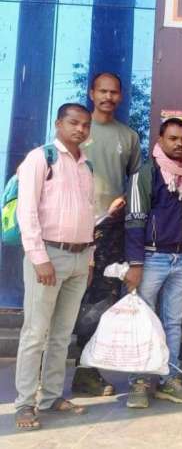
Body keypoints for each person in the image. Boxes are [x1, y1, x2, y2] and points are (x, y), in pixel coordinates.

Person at [14, 104, 95, 430]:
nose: (80, 129)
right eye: (73, 123)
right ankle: (24, 403)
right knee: (35, 333)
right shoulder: (41, 158)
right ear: (58, 123)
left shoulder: (86, 165)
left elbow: (89, 212)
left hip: (79, 258)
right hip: (48, 255)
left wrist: (89, 258)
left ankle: (50, 396)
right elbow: (27, 211)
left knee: (61, 334)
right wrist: (39, 258)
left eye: (85, 125)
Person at [124, 118, 182, 408]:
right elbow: (134, 220)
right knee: (143, 322)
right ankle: (139, 383)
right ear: (160, 140)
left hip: (181, 260)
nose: (179, 143)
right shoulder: (145, 173)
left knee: (172, 323)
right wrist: (135, 263)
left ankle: (169, 380)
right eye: (173, 138)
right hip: (150, 258)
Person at [72, 72, 141, 397]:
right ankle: (45, 372)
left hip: (110, 229)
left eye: (114, 92)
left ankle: (86, 372)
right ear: (91, 93)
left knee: (100, 299)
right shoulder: (77, 131)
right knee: (66, 297)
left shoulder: (128, 136)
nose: (108, 97)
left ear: (120, 96)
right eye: (102, 91)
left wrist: (123, 202)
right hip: (71, 226)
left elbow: (136, 184)